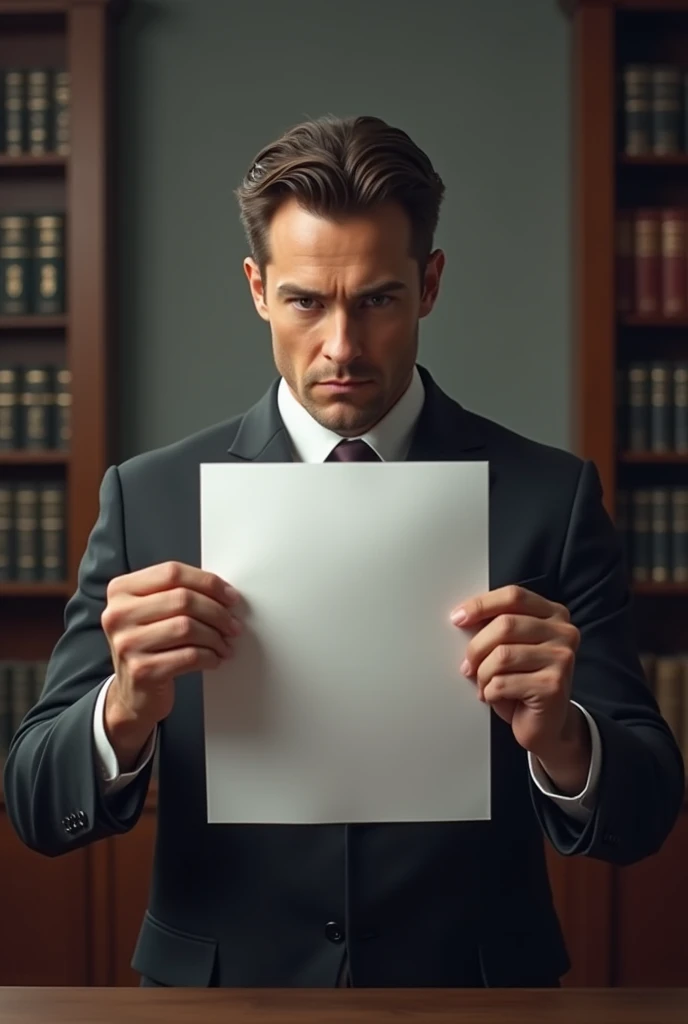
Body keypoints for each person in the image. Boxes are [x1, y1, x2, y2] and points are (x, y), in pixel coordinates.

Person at [4, 115, 684, 990]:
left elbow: (649, 811)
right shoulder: (152, 496)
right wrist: (124, 709)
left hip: (476, 998)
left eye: (377, 300)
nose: (343, 348)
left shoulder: (548, 499)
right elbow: (32, 800)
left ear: (429, 284)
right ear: (256, 288)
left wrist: (564, 742)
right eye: (305, 302)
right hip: (218, 1002)